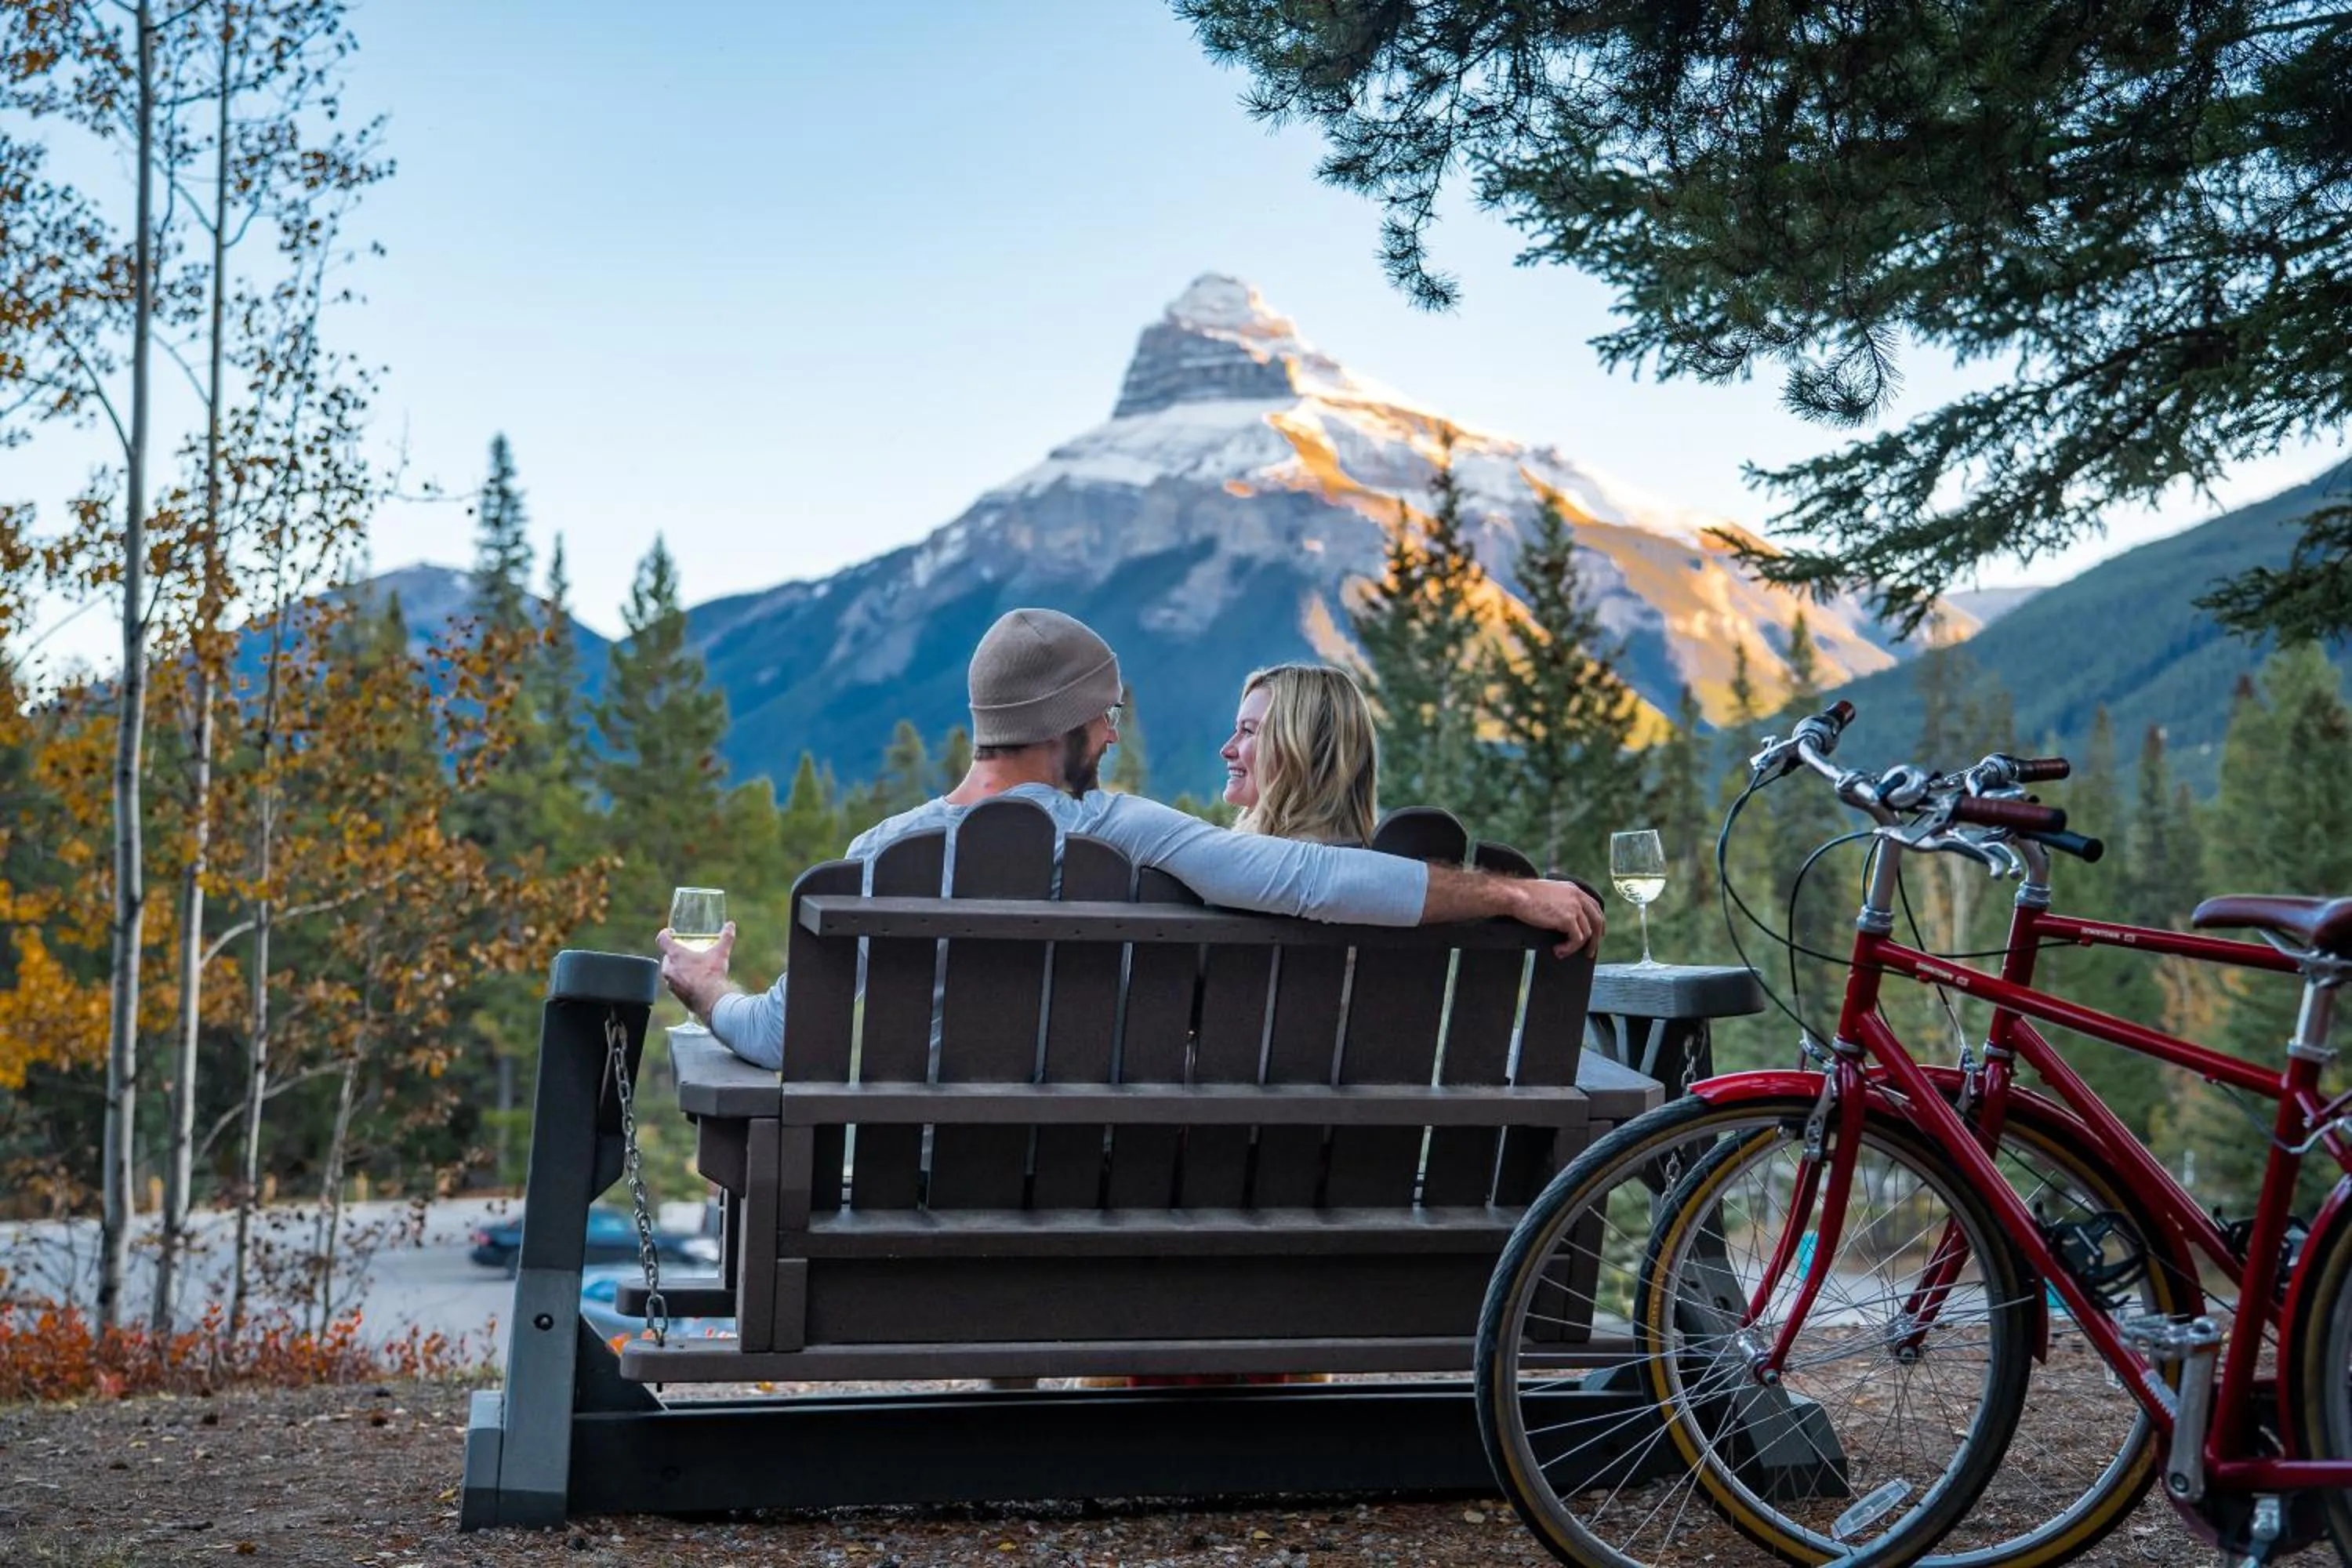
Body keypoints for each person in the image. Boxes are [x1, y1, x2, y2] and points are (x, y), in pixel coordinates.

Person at [658, 608, 1602, 1069]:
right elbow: (1320, 878)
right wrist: (1508, 892)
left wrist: (707, 989)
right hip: (1097, 1179)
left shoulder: (881, 852)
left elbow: (775, 1036)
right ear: (1065, 724)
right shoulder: (1125, 828)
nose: (1114, 736)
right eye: (1106, 716)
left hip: (924, 1186)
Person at [1221, 662, 1379, 847]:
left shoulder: (1262, 860)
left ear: (1307, 750)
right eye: (1237, 730)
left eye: (1248, 731)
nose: (1226, 750)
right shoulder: (1374, 857)